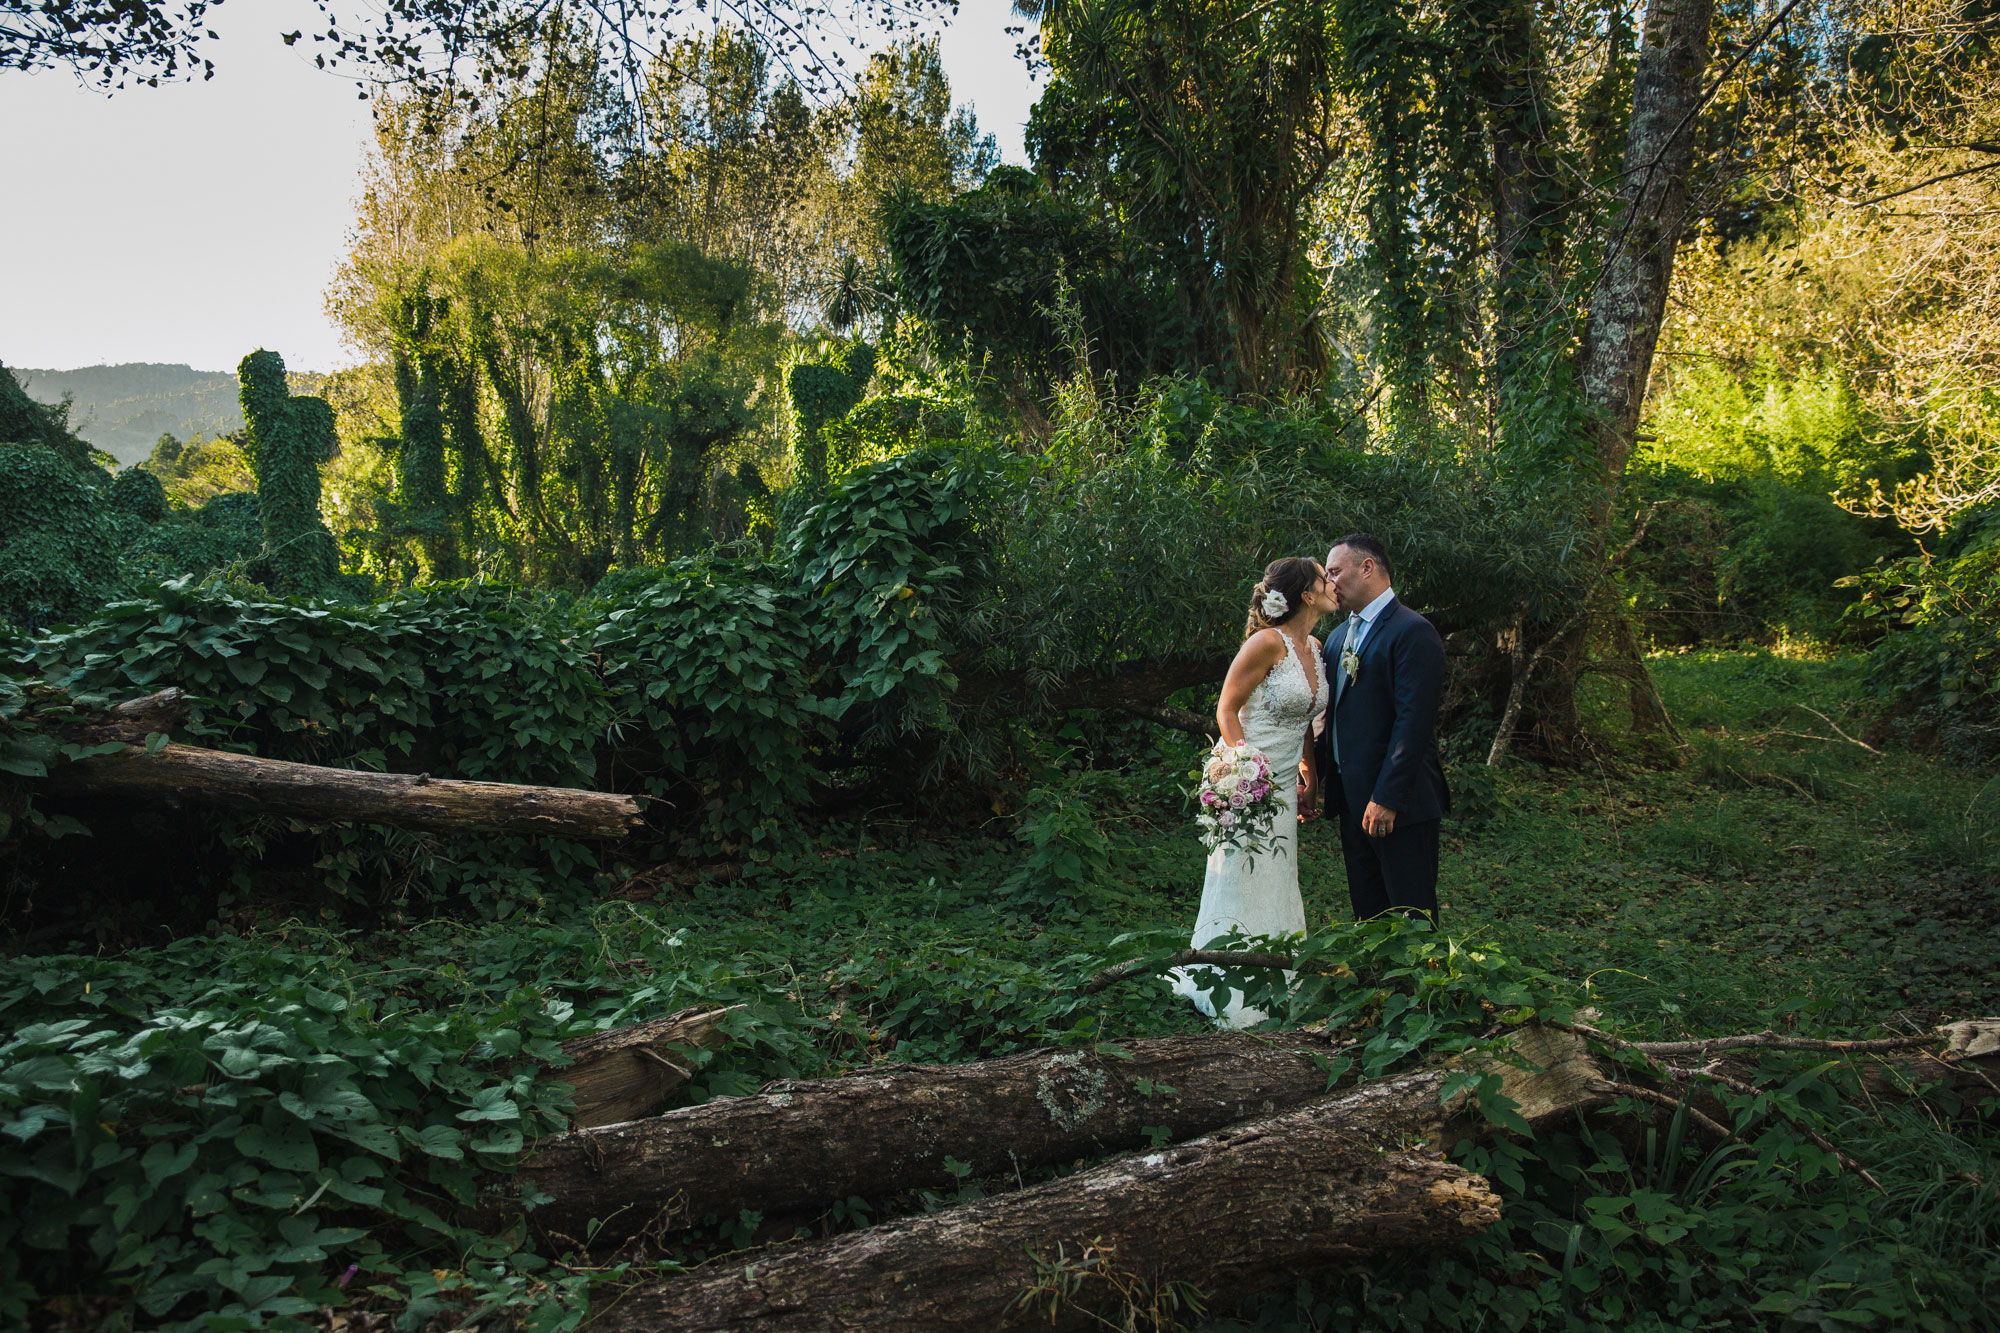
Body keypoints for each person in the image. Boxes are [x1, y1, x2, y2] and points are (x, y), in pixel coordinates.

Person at [1172, 556, 1339, 1027]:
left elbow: (1306, 714)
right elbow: (1227, 709)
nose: (1332, 585)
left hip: (1288, 781)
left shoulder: (1316, 645)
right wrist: (1246, 768)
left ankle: (1281, 974)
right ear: (1307, 595)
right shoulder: (1266, 643)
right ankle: (1228, 978)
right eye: (1325, 579)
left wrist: (1309, 772)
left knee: (1279, 873)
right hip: (1250, 781)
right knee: (1241, 873)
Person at [1313, 533, 1450, 926]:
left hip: (1396, 804)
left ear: (1368, 567)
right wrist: (1316, 781)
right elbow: (1331, 718)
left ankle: (1422, 988)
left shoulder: (1412, 631)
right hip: (1351, 802)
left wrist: (1387, 797)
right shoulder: (1337, 639)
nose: (1329, 584)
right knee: (1367, 913)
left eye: (1335, 572)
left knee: (1411, 914)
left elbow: (1414, 722)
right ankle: (1376, 986)